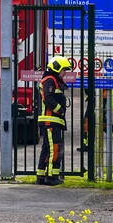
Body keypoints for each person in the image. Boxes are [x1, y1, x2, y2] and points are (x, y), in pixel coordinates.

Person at [36, 56, 73, 186]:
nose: (65, 73)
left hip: (51, 122)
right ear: (57, 68)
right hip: (51, 122)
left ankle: (41, 176)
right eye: (64, 70)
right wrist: (60, 110)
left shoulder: (52, 80)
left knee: (47, 149)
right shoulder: (50, 80)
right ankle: (51, 177)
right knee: (55, 149)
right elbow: (48, 98)